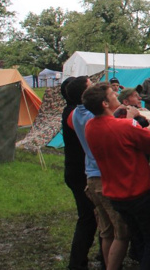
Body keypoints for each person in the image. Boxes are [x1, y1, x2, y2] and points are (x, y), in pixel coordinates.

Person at [83, 82, 150, 270]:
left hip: (115, 195)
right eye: (112, 94)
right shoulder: (124, 126)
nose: (116, 96)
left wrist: (139, 127)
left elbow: (123, 137)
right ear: (104, 103)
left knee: (138, 235)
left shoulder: (90, 126)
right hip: (137, 194)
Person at [67, 77, 131, 270]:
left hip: (92, 176)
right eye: (91, 86)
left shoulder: (75, 114)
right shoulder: (91, 119)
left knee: (107, 231)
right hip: (104, 177)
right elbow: (111, 129)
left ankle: (107, 264)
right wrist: (127, 118)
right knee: (121, 232)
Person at [60, 77, 96, 270]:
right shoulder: (74, 114)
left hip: (78, 171)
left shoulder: (73, 111)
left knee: (95, 216)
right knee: (88, 218)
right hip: (79, 173)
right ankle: (76, 264)